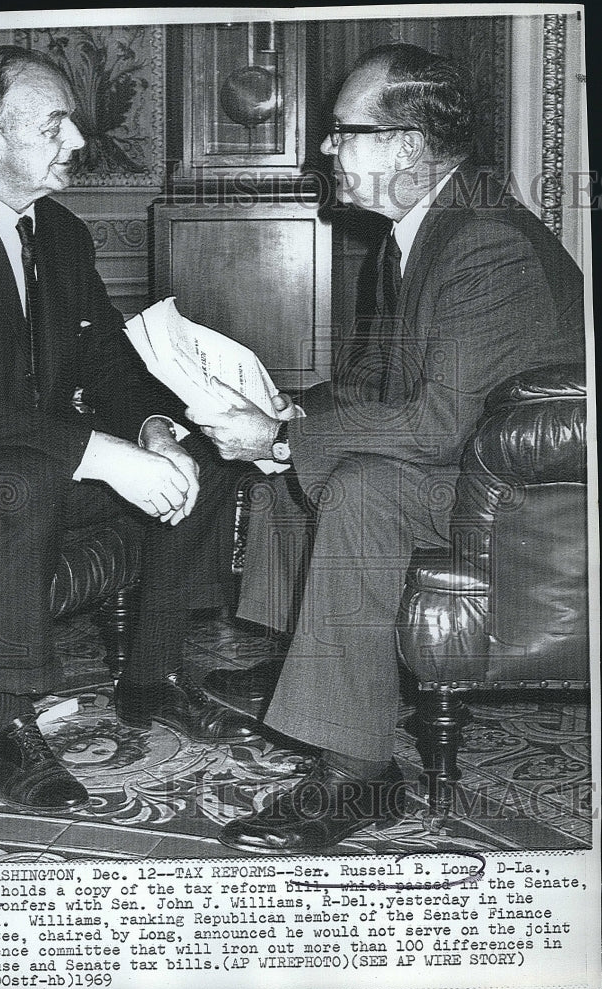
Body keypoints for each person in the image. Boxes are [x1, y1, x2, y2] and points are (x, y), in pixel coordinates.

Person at [188, 43, 586, 853]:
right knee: (296, 456)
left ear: (405, 144)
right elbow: (370, 383)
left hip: (532, 499)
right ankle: (311, 661)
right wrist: (286, 413)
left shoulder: (484, 242)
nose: (326, 149)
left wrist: (288, 435)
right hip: (466, 459)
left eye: (342, 131)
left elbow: (436, 425)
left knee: (358, 483)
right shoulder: (411, 233)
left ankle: (358, 772)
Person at [0, 45, 255, 817]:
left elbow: (108, 364)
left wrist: (154, 427)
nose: (77, 142)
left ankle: (151, 677)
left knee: (210, 449)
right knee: (19, 478)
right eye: (56, 125)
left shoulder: (59, 231)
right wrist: (101, 454)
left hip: (32, 461)